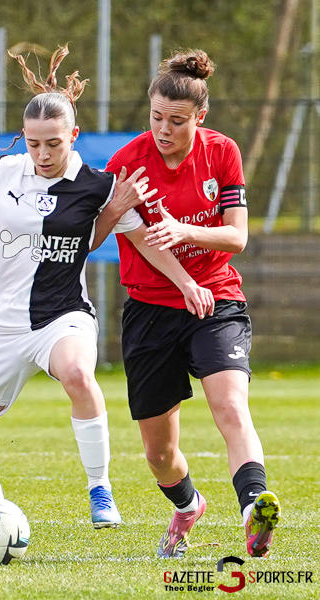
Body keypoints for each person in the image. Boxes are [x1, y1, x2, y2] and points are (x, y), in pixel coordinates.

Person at [0, 45, 213, 547]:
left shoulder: (101, 185)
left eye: (53, 143)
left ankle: (100, 490)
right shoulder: (5, 171)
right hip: (2, 326)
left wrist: (185, 281)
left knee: (78, 372)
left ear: (73, 136)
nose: (43, 154)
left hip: (62, 316)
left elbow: (141, 239)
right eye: (33, 144)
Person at [93, 49, 281, 558]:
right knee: (159, 452)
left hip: (215, 299)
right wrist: (115, 206)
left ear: (200, 116)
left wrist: (184, 230)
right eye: (156, 117)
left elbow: (236, 237)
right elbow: (92, 240)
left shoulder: (222, 153)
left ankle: (253, 507)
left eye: (177, 121)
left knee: (231, 407)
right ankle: (187, 503)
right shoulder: (128, 162)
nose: (164, 129)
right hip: (150, 309)